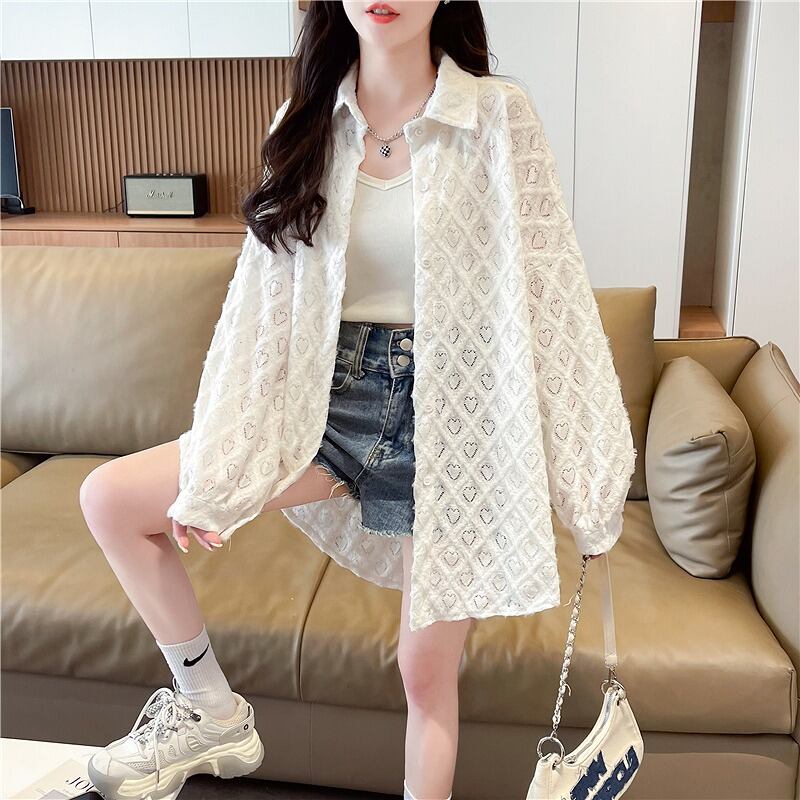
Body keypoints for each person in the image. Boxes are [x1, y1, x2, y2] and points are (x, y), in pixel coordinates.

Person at [80, 2, 633, 799]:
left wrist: (590, 481)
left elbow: (554, 296)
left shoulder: (496, 117)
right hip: (329, 405)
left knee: (424, 673)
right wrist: (226, 458)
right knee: (110, 499)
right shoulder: (305, 121)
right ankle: (208, 707)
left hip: (456, 424)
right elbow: (261, 308)